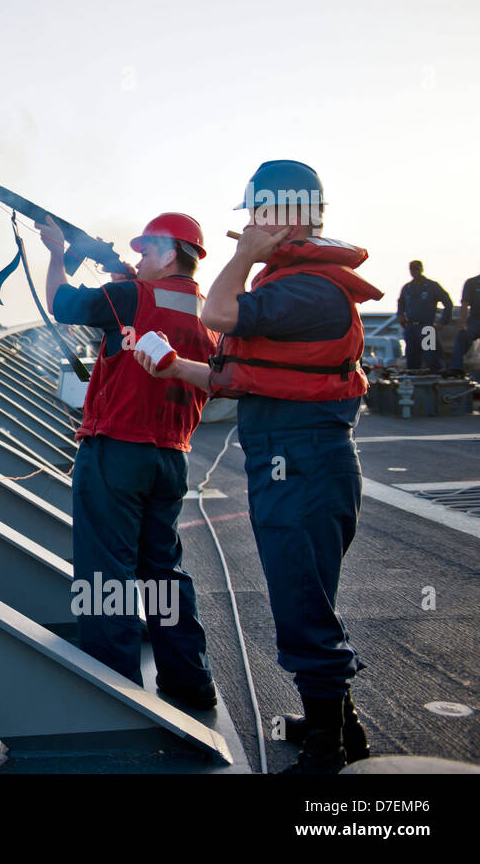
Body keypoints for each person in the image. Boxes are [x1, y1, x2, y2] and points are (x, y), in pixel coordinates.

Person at [133, 160, 381, 774]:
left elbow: (216, 315)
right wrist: (170, 367)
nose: (248, 226)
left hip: (302, 465)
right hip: (298, 462)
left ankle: (328, 752)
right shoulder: (295, 287)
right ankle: (341, 726)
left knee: (302, 603)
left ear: (282, 215)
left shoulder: (305, 290)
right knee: (307, 596)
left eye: (256, 215)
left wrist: (243, 256)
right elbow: (244, 378)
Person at [36, 211, 220, 711]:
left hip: (116, 449)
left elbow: (62, 303)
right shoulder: (211, 313)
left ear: (166, 253)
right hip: (171, 457)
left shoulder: (131, 297)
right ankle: (188, 679)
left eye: (145, 251)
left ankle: (111, 687)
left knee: (104, 572)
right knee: (162, 570)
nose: (137, 259)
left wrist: (56, 254)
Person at [397, 261, 453, 372]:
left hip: (426, 327)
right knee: (412, 358)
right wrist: (400, 315)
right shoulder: (407, 288)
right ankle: (413, 382)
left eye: (416, 269)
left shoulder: (432, 286)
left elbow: (448, 303)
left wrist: (443, 321)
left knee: (432, 357)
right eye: (412, 269)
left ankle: (436, 381)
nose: (414, 272)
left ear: (421, 269)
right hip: (411, 327)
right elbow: (401, 303)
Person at [448, 271, 480, 375]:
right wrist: (463, 323)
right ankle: (456, 368)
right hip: (475, 320)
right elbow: (464, 304)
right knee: (462, 336)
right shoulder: (471, 282)